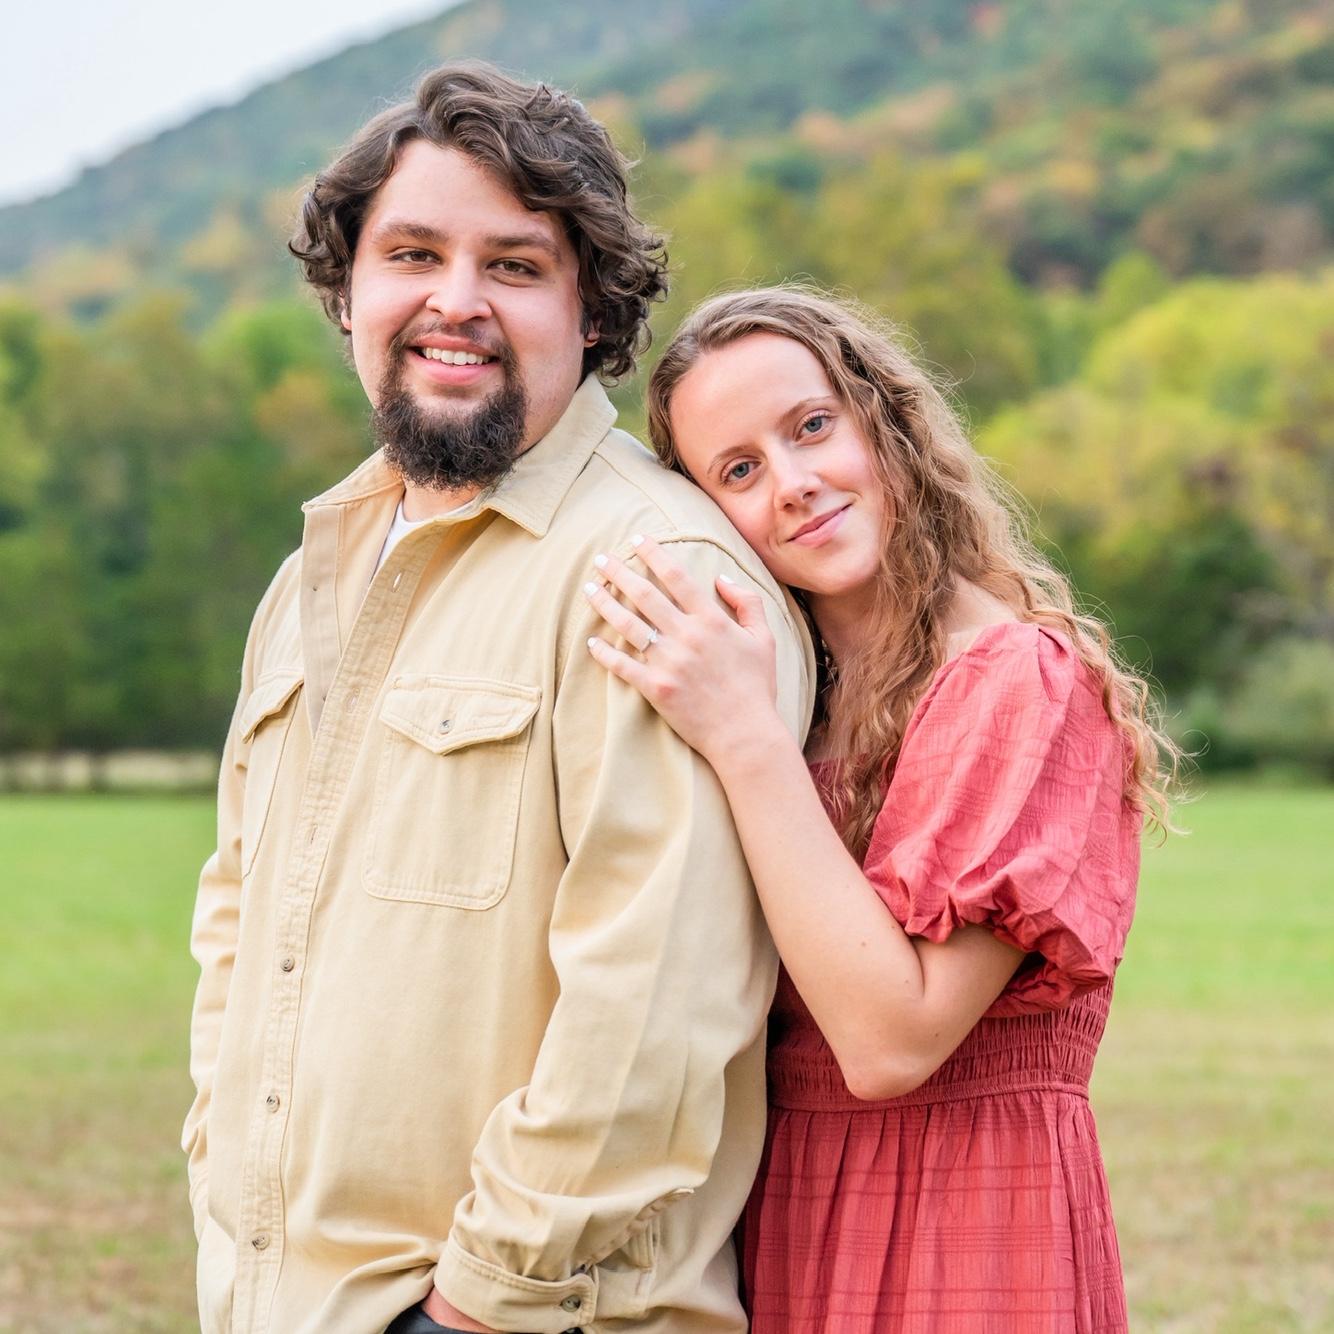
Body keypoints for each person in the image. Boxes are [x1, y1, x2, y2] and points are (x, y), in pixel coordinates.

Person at [181, 66, 815, 1334]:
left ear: (591, 311)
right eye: (412, 253)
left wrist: (473, 1305)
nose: (455, 301)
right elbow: (237, 916)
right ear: (348, 292)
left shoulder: (652, 571)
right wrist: (216, 1153)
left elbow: (655, 1006)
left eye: (514, 265)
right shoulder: (312, 573)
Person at [582, 286, 1179, 1332]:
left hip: (968, 1230)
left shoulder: (1015, 682)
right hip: (776, 1213)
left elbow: (890, 1042)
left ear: (884, 418)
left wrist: (743, 737)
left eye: (812, 426)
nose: (793, 484)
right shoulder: (785, 694)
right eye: (738, 470)